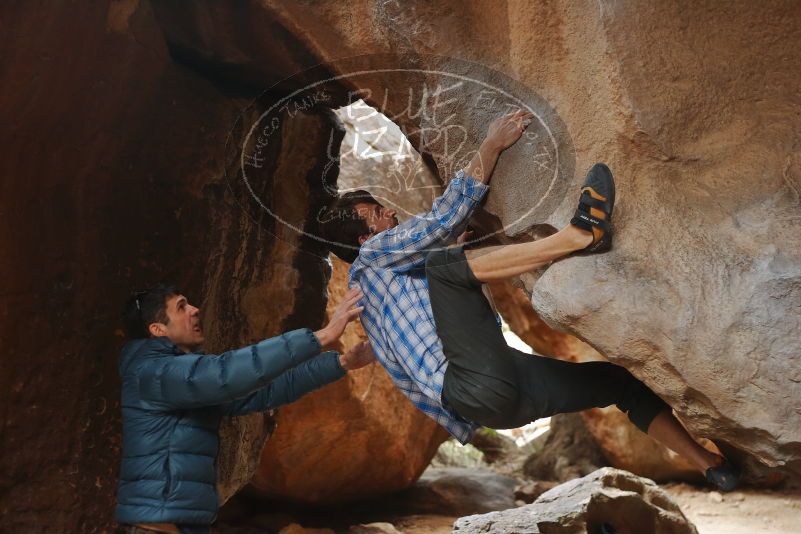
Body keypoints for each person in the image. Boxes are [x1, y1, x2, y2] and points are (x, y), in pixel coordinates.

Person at [322, 110, 740, 491]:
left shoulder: (370, 300)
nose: (389, 214)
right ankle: (579, 236)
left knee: (618, 384)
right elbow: (443, 217)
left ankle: (711, 465)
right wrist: (492, 144)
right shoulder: (374, 254)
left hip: (494, 406)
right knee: (444, 267)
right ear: (364, 238)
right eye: (377, 213)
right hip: (473, 381)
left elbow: (408, 343)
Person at [116, 283, 374, 533]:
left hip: (178, 522)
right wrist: (322, 336)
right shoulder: (152, 372)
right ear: (158, 329)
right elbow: (224, 374)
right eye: (182, 307)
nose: (195, 309)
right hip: (157, 525)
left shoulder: (180, 382)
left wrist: (341, 363)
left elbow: (266, 392)